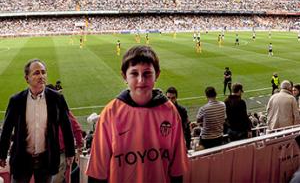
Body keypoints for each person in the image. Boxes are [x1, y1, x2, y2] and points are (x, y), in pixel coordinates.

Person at [86, 46, 189, 182]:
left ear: (157, 74)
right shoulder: (110, 112)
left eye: (147, 73)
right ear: (124, 76)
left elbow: (176, 170)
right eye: (134, 74)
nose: (141, 80)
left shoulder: (170, 112)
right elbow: (97, 172)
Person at [0, 59, 75, 183]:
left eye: (43, 72)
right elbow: (7, 129)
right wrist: (2, 153)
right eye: (36, 73)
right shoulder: (16, 100)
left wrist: (70, 152)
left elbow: (66, 126)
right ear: (27, 78)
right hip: (22, 159)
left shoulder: (57, 98)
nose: (41, 76)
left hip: (46, 160)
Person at [46, 84, 83, 183]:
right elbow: (77, 128)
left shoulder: (63, 111)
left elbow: (76, 128)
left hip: (60, 152)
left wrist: (79, 145)